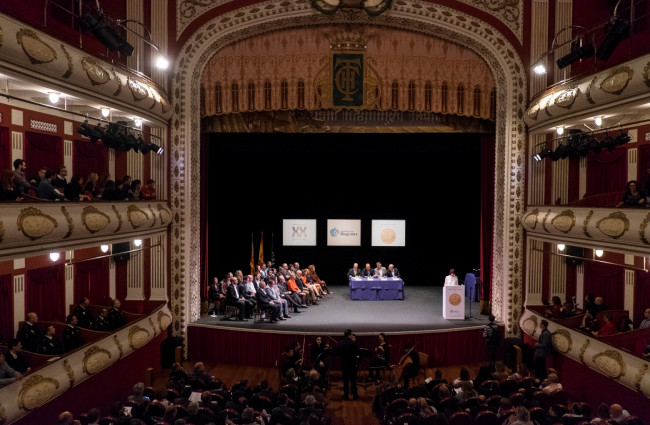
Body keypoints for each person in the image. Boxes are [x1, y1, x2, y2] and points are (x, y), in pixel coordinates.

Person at [336, 328, 359, 400]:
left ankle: (346, 395)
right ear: (349, 335)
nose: (352, 335)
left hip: (344, 364)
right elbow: (357, 353)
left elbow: (337, 352)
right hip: (352, 365)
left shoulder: (340, 343)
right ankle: (355, 395)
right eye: (352, 334)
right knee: (353, 380)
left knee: (345, 380)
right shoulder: (353, 343)